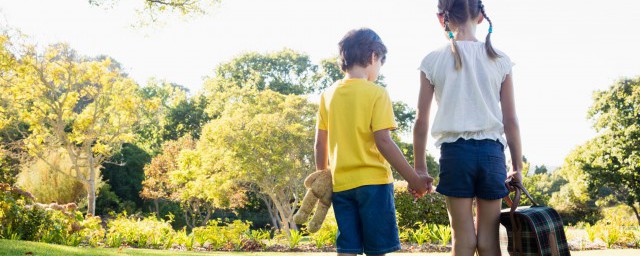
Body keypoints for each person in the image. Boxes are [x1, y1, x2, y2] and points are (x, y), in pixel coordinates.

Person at [412, 0, 523, 255]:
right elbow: (511, 120)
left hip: (454, 155)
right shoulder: (500, 60)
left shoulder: (432, 61)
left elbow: (421, 119)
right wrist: (516, 166)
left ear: (442, 18)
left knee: (462, 240)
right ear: (481, 17)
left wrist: (420, 168)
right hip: (492, 155)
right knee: (489, 240)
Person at [315, 28, 433, 256]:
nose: (378, 70)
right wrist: (414, 179)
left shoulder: (327, 95)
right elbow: (384, 142)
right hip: (374, 185)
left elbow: (320, 143)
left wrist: (323, 176)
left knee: (347, 248)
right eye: (380, 63)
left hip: (341, 185)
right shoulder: (377, 93)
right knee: (377, 250)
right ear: (373, 56)